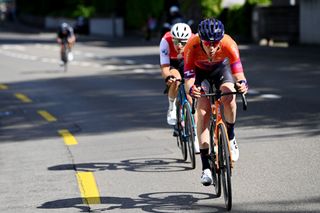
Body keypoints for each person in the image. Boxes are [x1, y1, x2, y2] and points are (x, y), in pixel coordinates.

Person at [183, 18, 248, 186]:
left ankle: (231, 137)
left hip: (221, 70)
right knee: (203, 113)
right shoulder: (192, 45)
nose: (211, 47)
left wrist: (242, 84)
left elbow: (238, 72)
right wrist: (192, 89)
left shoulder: (229, 43)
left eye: (215, 43)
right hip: (200, 74)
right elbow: (189, 78)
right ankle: (205, 168)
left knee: (230, 96)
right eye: (207, 43)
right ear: (200, 40)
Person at [159, 22, 200, 153]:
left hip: (188, 61)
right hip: (172, 63)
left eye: (183, 42)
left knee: (191, 97)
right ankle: (172, 107)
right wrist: (168, 78)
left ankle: (196, 134)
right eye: (176, 41)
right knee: (176, 80)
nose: (179, 45)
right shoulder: (165, 41)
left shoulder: (195, 40)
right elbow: (165, 68)